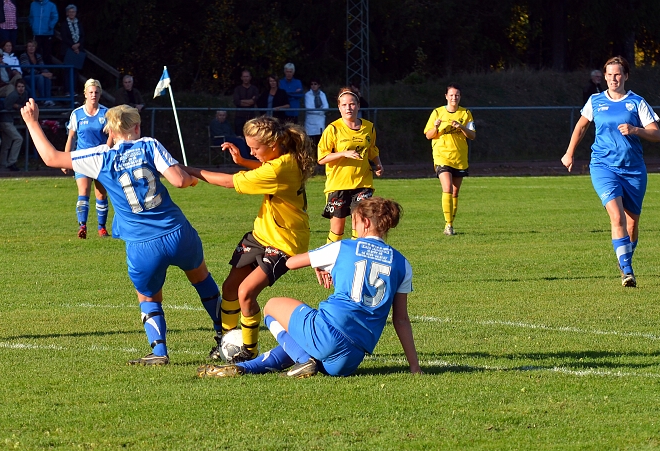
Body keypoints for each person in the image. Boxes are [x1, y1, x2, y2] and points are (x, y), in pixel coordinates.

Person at [19, 100, 223, 365]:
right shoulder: (149, 144)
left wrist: (32, 122)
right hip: (176, 232)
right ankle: (225, 333)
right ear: (137, 127)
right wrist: (193, 178)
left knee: (148, 296)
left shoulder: (100, 156)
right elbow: (180, 181)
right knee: (201, 279)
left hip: (141, 243)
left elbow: (51, 158)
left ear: (111, 132)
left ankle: (159, 351)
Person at [197, 197, 422, 379]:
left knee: (272, 306)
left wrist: (318, 263)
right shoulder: (402, 263)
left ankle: (304, 360)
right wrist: (414, 366)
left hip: (328, 333)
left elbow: (290, 262)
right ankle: (247, 369)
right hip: (348, 360)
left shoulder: (343, 247)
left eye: (354, 221)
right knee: (306, 341)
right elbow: (400, 319)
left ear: (364, 222)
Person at [183, 116, 313, 362]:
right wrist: (244, 161)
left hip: (284, 242)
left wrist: (189, 170)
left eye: (255, 149)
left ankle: (248, 351)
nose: (252, 152)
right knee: (230, 288)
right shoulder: (280, 159)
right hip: (262, 234)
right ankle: (225, 341)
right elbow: (265, 171)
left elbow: (230, 182)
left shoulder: (279, 167)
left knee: (245, 292)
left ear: (273, 146)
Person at [561, 56, 660, 288]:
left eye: (618, 74)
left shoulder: (637, 102)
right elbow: (581, 126)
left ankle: (625, 256)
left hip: (634, 169)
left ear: (625, 76)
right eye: (609, 75)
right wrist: (569, 152)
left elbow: (657, 135)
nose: (613, 79)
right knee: (616, 216)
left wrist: (636, 129)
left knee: (632, 224)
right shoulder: (595, 101)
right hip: (603, 166)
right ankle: (627, 271)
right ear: (604, 77)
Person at [317, 87, 383, 244]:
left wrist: (378, 163)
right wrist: (343, 153)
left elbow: (372, 149)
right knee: (337, 230)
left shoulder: (369, 127)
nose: (349, 108)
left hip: (363, 183)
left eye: (352, 104)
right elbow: (322, 158)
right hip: (338, 185)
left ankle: (353, 264)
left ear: (358, 105)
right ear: (339, 107)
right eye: (344, 105)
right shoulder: (333, 129)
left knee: (360, 227)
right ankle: (328, 266)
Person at [423, 83, 476, 236]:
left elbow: (472, 135)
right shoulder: (437, 112)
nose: (454, 97)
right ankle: (448, 227)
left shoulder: (465, 113)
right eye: (451, 95)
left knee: (455, 192)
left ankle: (450, 223)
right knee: (447, 188)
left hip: (459, 157)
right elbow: (428, 135)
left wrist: (461, 127)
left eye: (457, 95)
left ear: (460, 96)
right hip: (442, 156)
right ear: (446, 96)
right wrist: (436, 127)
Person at [65, 79, 111, 238]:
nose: (93, 95)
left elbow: (112, 135)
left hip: (100, 160)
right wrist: (66, 158)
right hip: (82, 159)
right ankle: (82, 226)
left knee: (101, 194)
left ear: (100, 94)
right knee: (83, 191)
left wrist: (107, 150)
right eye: (90, 92)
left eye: (96, 92)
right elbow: (71, 137)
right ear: (85, 94)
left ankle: (101, 228)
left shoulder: (106, 113)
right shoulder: (76, 114)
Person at [0, 79, 28, 171]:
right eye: (19, 87)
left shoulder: (24, 94)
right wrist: (17, 107)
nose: (21, 89)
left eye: (22, 87)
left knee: (7, 143)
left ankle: (3, 164)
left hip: (9, 120)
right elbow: (6, 106)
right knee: (18, 139)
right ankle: (12, 162)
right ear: (16, 87)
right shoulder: (13, 95)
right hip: (5, 120)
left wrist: (17, 106)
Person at [19, 40, 54, 106]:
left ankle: (48, 99)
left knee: (47, 78)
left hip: (38, 75)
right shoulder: (23, 56)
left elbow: (42, 67)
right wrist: (41, 73)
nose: (31, 48)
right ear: (26, 48)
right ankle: (42, 99)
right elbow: (27, 68)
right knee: (40, 77)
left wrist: (47, 73)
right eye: (29, 46)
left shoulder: (38, 56)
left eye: (33, 46)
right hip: (27, 76)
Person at [232, 69, 258, 135]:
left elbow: (254, 101)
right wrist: (249, 101)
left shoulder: (254, 89)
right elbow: (237, 102)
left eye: (247, 76)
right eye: (244, 76)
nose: (245, 78)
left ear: (250, 77)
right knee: (239, 135)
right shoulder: (237, 89)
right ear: (241, 78)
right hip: (239, 116)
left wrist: (243, 101)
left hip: (251, 117)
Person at [303, 78, 329, 146]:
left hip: (320, 121)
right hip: (311, 122)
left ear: (319, 85)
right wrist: (321, 111)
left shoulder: (322, 94)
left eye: (315, 84)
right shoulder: (307, 95)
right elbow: (309, 108)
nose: (313, 86)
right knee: (311, 142)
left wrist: (319, 111)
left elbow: (326, 107)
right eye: (312, 84)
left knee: (320, 141)